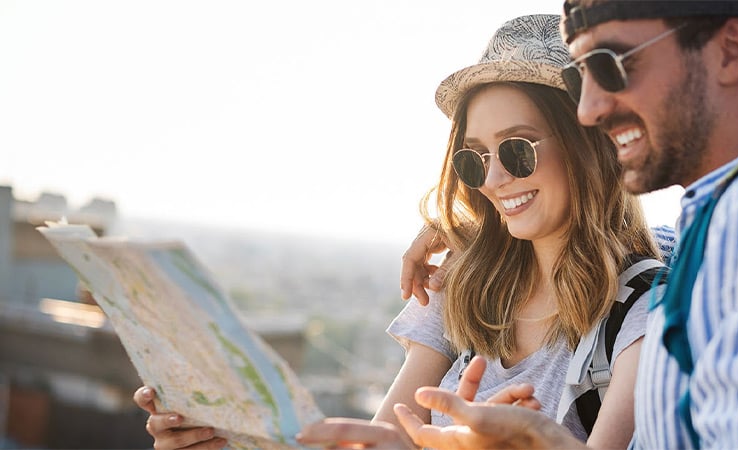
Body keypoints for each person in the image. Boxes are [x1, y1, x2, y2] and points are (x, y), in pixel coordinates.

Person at [135, 14, 665, 450]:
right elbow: (382, 441)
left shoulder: (643, 308)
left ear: (589, 146)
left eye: (517, 148)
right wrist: (226, 438)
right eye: (474, 160)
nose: (496, 179)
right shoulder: (462, 287)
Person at [395, 1, 738, 449]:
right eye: (578, 79)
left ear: (730, 49)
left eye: (610, 66)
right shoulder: (717, 228)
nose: (589, 110)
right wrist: (472, 230)